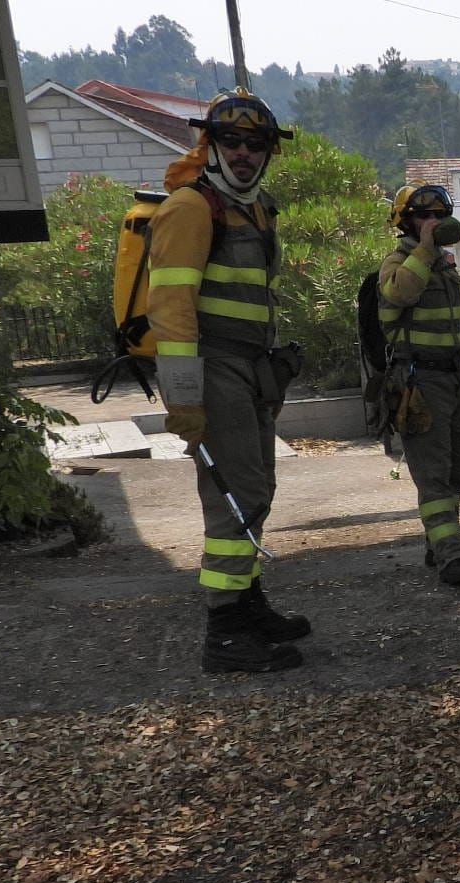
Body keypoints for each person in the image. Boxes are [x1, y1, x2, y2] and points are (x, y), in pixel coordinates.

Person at [149, 89, 309, 674]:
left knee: (255, 491)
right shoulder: (192, 209)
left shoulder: (253, 206)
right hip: (215, 367)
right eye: (231, 141)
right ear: (209, 145)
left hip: (250, 367)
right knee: (234, 499)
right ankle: (223, 631)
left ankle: (248, 606)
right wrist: (185, 399)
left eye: (255, 144)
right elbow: (171, 310)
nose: (243, 153)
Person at [379, 183, 460, 585]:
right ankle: (449, 555)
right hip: (418, 382)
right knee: (433, 474)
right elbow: (401, 294)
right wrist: (426, 248)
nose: (433, 223)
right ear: (405, 222)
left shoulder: (443, 268)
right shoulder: (398, 263)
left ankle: (445, 541)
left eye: (439, 216)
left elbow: (459, 320)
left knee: (456, 465)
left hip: (452, 378)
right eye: (424, 216)